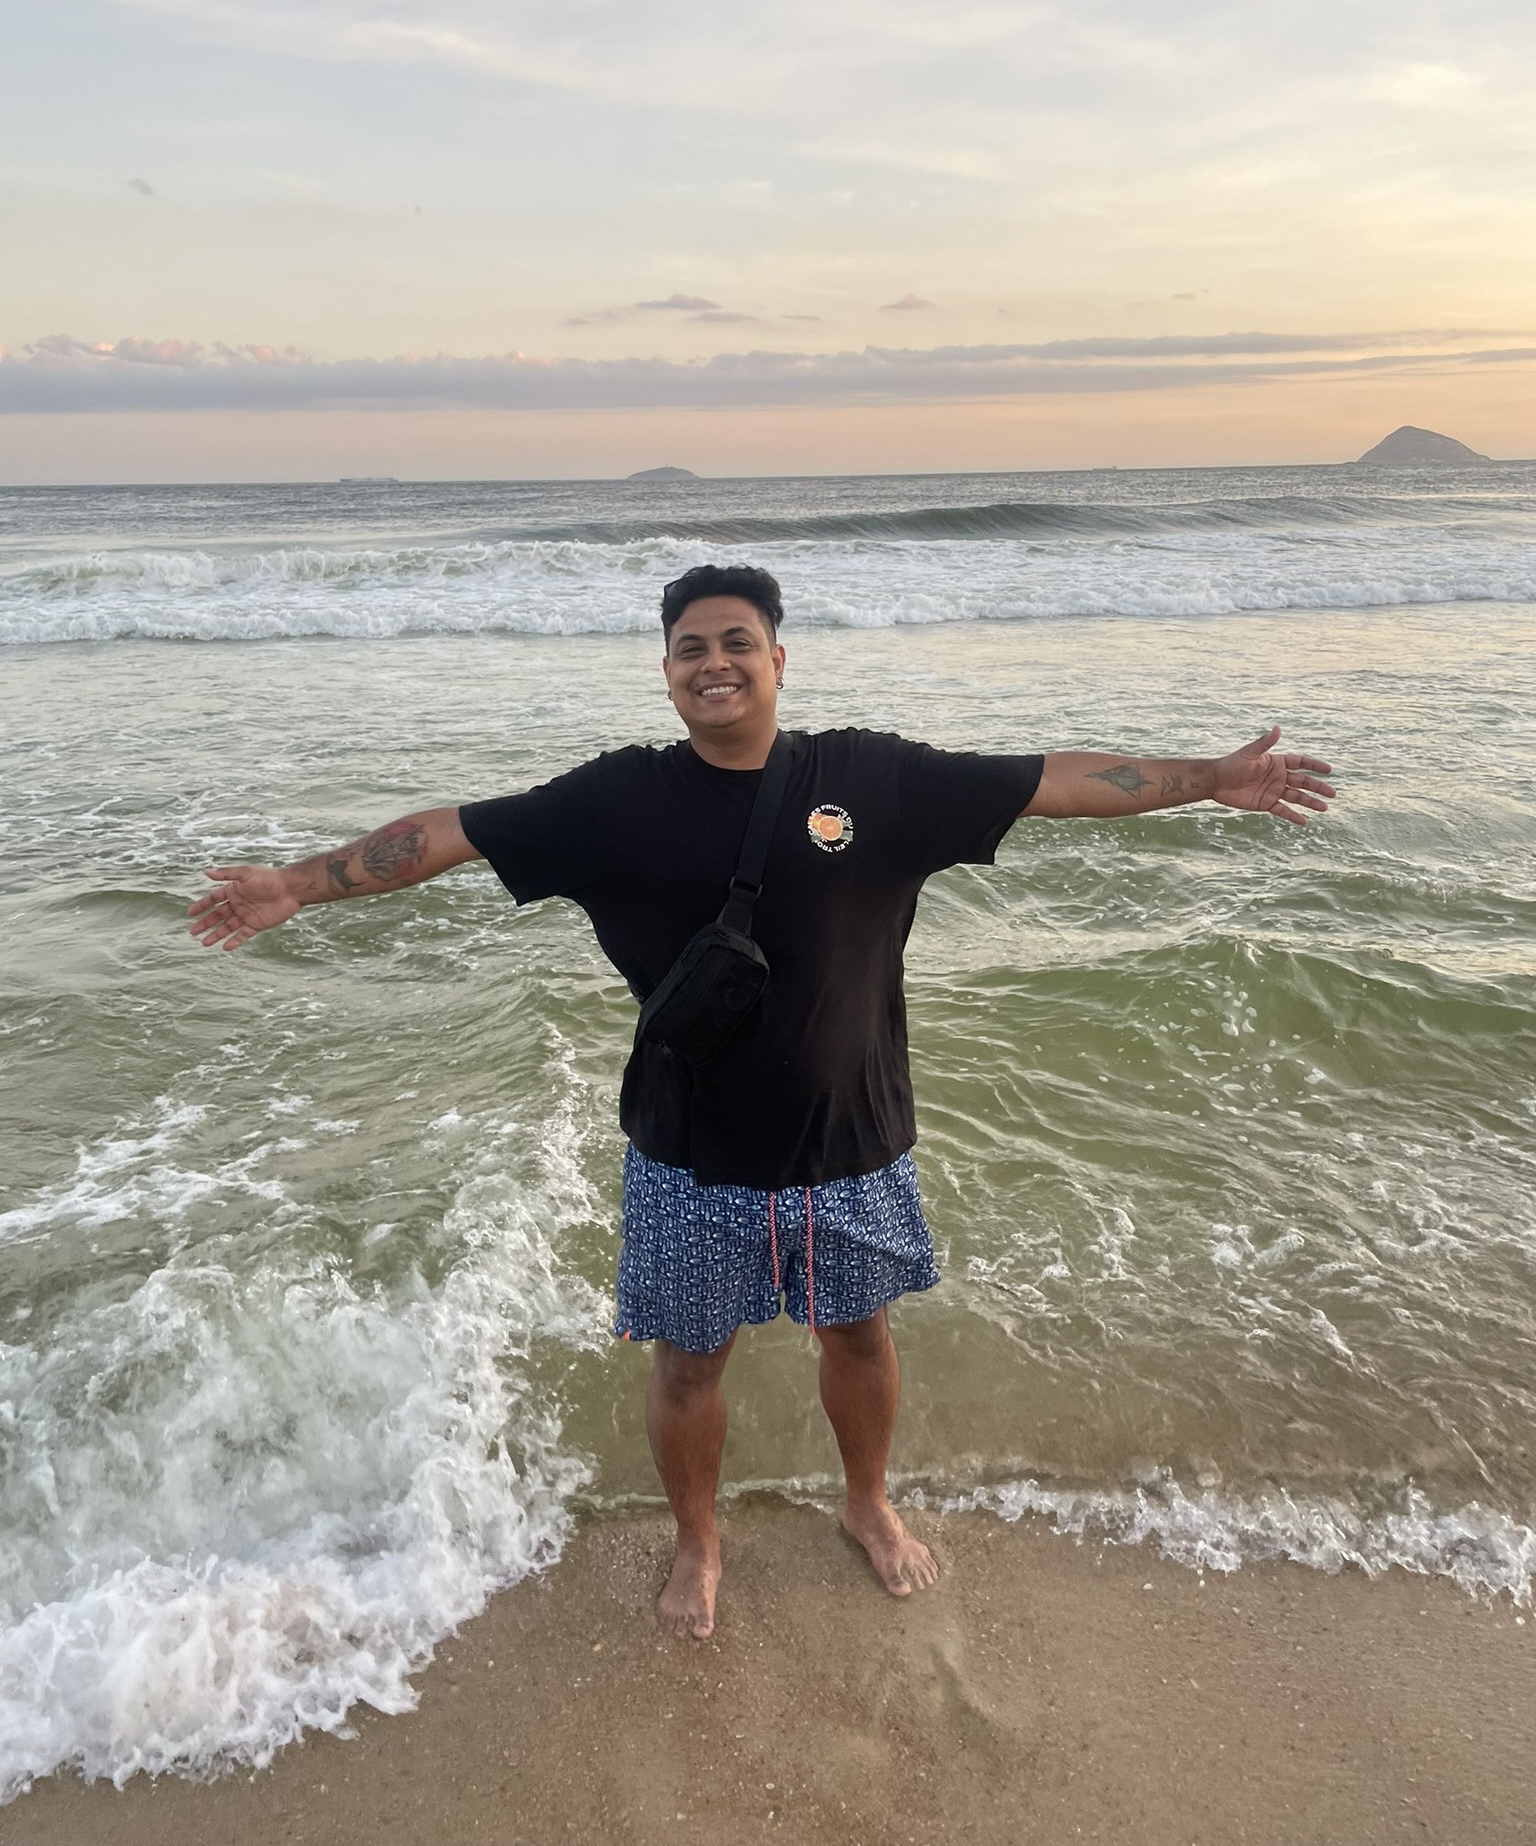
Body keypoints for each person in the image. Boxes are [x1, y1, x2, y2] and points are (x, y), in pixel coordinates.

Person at [188, 562, 1336, 1641]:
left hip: (854, 1145)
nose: (715, 662)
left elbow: (1054, 783)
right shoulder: (615, 799)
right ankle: (698, 1538)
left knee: (861, 1334)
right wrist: (296, 883)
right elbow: (447, 834)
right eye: (691, 648)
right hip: (689, 1154)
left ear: (779, 659)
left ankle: (867, 1501)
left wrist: (1209, 779)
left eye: (738, 642)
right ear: (667, 672)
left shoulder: (873, 779)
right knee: (689, 1364)